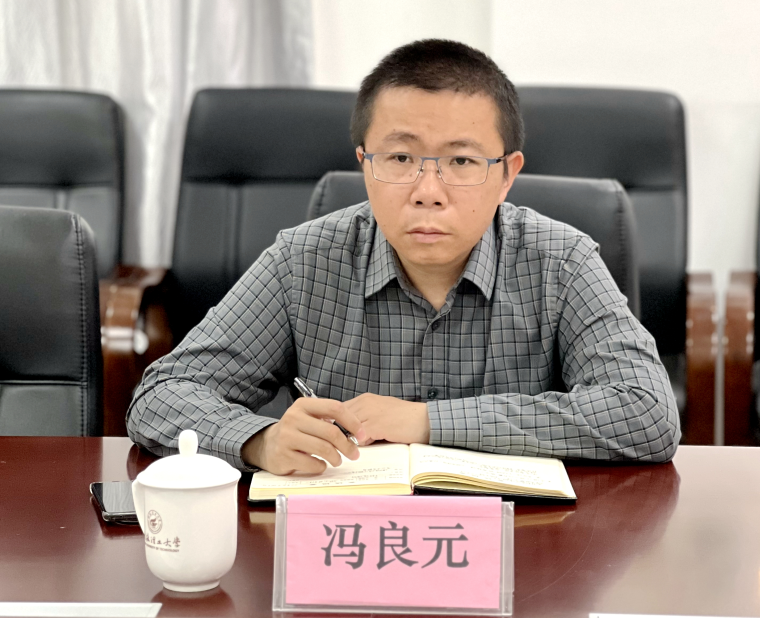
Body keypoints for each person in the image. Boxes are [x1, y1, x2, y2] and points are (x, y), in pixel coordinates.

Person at [127, 39, 680, 475]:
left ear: (506, 175)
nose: (428, 191)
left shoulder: (562, 261)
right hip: (347, 545)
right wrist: (259, 440)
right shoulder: (303, 261)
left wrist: (428, 422)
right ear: (365, 164)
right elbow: (162, 396)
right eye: (399, 158)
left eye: (461, 162)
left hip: (523, 547)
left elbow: (647, 411)